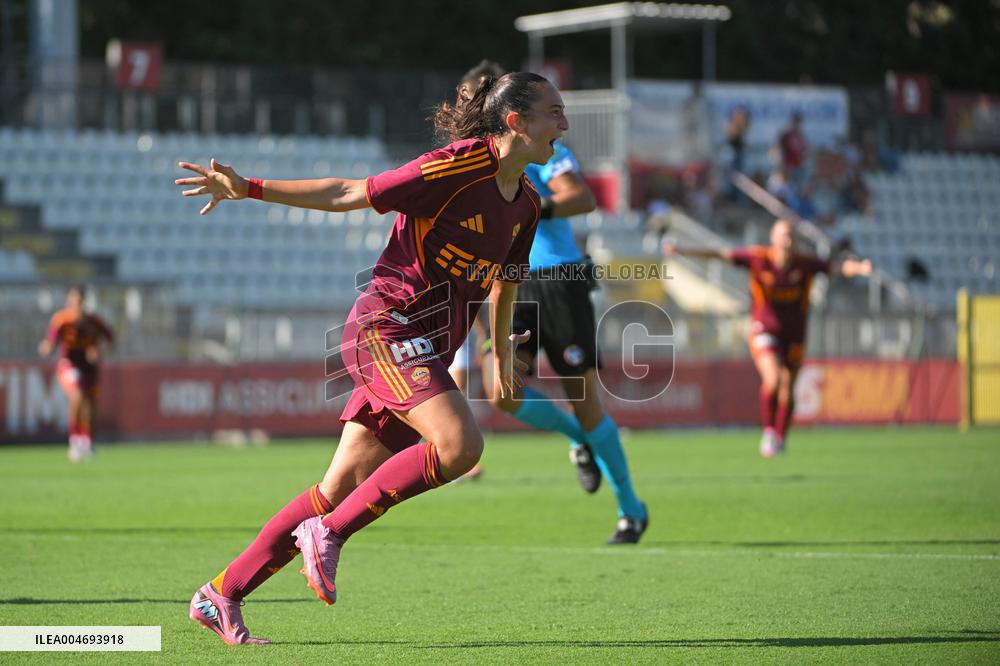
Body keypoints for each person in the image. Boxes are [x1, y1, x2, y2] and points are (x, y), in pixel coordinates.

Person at [176, 71, 561, 645]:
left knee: (336, 487)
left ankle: (221, 593)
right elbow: (349, 193)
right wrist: (250, 188)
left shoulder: (527, 204)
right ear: (516, 122)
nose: (565, 123)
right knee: (460, 446)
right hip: (385, 327)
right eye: (554, 112)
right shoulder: (454, 167)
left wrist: (499, 355)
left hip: (426, 350)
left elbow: (505, 283)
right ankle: (327, 534)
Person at [458, 61, 648, 545]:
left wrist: (532, 208)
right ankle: (578, 440)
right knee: (500, 391)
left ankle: (631, 509)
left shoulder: (544, 150)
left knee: (586, 402)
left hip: (556, 277)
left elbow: (581, 197)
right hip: (503, 282)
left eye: (480, 96)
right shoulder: (467, 161)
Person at [664, 219, 872, 457]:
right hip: (764, 329)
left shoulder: (804, 264)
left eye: (791, 235)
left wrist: (860, 268)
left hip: (794, 335)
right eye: (784, 234)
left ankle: (781, 437)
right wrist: (683, 251)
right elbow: (720, 254)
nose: (788, 239)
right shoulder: (758, 258)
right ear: (773, 237)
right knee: (773, 379)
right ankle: (769, 432)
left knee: (788, 388)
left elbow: (837, 268)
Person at [37, 285, 114, 463]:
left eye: (80, 300)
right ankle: (74, 442)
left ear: (84, 301)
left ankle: (86, 442)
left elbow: (110, 340)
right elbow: (51, 342)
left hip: (89, 367)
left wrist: (98, 351)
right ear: (68, 301)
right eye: (73, 300)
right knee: (77, 395)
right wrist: (46, 348)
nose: (76, 304)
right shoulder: (61, 319)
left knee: (90, 403)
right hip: (69, 364)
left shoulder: (95, 321)